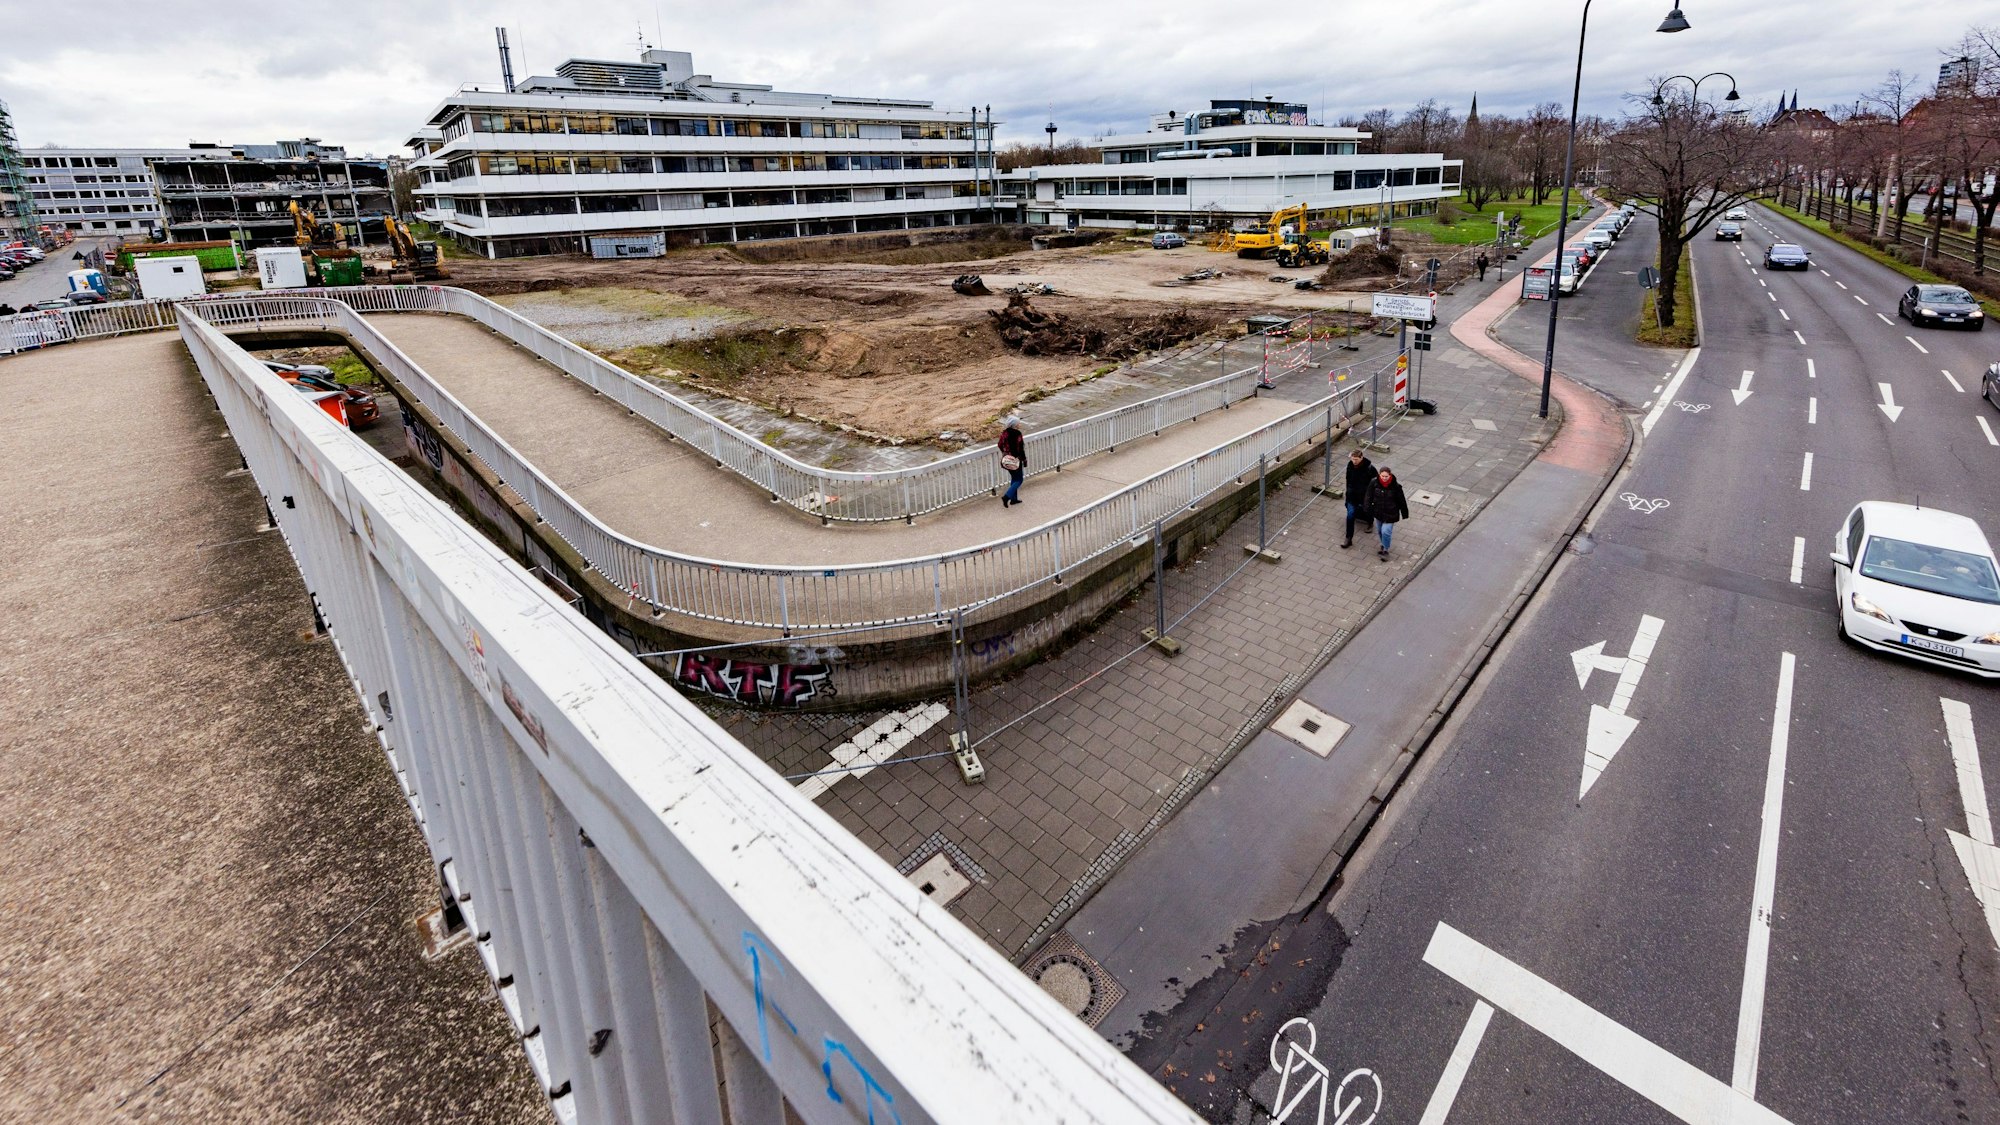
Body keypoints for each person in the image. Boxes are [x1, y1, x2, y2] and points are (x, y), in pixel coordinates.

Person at [1363, 467, 1409, 560]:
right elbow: (1369, 495)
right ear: (1379, 475)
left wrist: (1404, 513)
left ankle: (1385, 550)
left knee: (1386, 531)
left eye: (1386, 476)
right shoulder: (1374, 483)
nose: (1384, 478)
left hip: (1391, 513)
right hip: (1378, 511)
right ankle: (1383, 544)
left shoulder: (1396, 486)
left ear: (1390, 475)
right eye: (1382, 476)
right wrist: (1367, 507)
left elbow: (1401, 500)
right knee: (1380, 531)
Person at [1340, 449, 1375, 548]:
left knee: (1367, 510)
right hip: (1352, 496)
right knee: (1350, 516)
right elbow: (1348, 479)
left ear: (1361, 458)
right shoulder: (1350, 465)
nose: (1354, 461)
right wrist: (1348, 492)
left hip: (1364, 496)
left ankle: (1370, 522)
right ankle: (1348, 538)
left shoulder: (1369, 468)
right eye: (1352, 459)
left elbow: (1375, 483)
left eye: (1356, 459)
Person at [997, 414, 1026, 507]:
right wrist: (1024, 459)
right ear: (1015, 424)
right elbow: (1021, 448)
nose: (1019, 424)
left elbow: (1000, 444)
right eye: (1018, 423)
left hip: (1007, 460)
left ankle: (1014, 499)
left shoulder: (1004, 433)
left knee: (1014, 478)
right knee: (1019, 479)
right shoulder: (1017, 434)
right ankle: (1007, 497)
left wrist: (1005, 453)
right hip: (1015, 459)